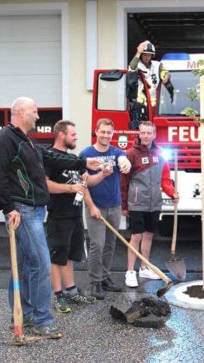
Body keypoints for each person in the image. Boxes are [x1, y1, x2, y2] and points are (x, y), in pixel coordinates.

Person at [0, 97, 102, 339]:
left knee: (25, 266)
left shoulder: (27, 141)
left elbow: (51, 157)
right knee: (40, 264)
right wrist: (8, 207)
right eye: (34, 111)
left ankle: (25, 315)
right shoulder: (5, 139)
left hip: (34, 210)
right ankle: (42, 320)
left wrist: (83, 161)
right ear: (20, 112)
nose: (38, 116)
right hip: (23, 211)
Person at [45, 120, 102, 313]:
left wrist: (92, 206)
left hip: (75, 215)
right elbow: (45, 185)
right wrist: (69, 188)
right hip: (58, 216)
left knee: (69, 255)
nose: (76, 137)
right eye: (73, 134)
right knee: (56, 257)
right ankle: (58, 296)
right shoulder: (49, 157)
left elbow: (85, 183)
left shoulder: (74, 159)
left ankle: (71, 290)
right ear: (61, 135)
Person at [121, 121, 179, 288]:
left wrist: (171, 193)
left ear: (154, 135)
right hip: (137, 202)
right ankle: (130, 272)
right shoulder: (131, 154)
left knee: (148, 235)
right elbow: (123, 181)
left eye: (149, 133)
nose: (146, 136)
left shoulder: (160, 153)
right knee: (136, 236)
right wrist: (124, 205)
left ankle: (144, 267)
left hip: (154, 203)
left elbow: (165, 179)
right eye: (143, 133)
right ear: (139, 134)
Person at [79, 118, 131, 299]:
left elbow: (123, 158)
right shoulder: (85, 154)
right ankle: (94, 282)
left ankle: (105, 277)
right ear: (96, 131)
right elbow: (83, 184)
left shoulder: (116, 152)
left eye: (109, 132)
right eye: (103, 132)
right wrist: (91, 206)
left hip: (114, 207)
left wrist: (125, 162)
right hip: (95, 207)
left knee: (110, 244)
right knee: (97, 245)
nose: (106, 136)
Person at [128, 40, 172, 123]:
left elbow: (164, 72)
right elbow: (131, 68)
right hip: (141, 104)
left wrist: (166, 75)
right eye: (144, 54)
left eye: (149, 55)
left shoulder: (157, 65)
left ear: (152, 55)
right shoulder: (137, 65)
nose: (147, 57)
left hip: (157, 106)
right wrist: (138, 52)